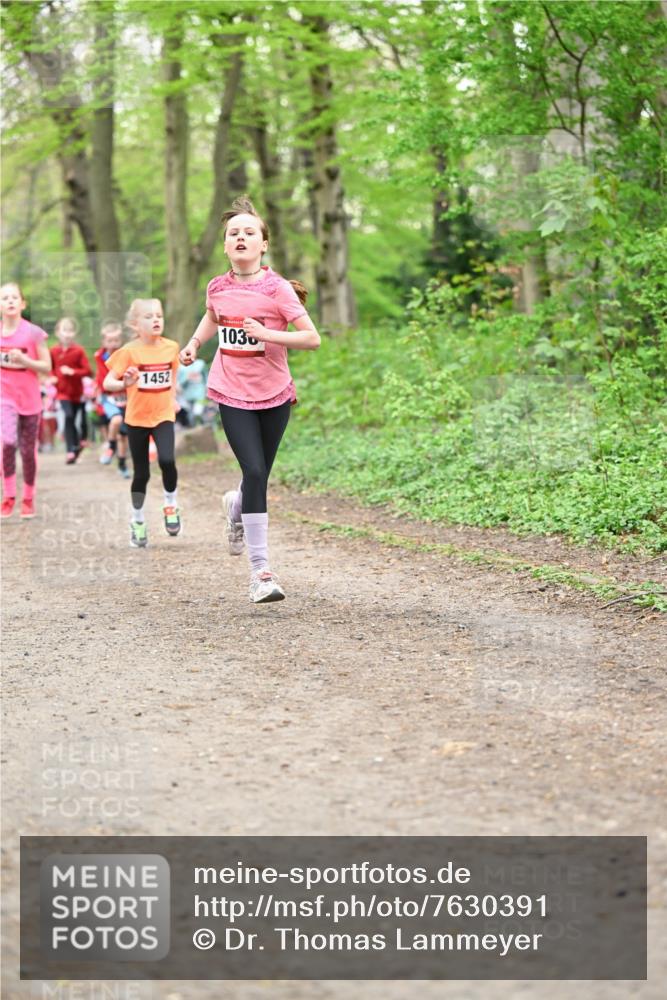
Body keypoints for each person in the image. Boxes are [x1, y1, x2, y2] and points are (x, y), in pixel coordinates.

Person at [180, 195, 320, 603]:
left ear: (263, 244)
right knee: (254, 470)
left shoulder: (277, 289)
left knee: (258, 475)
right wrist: (193, 343)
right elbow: (212, 316)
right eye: (233, 234)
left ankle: (236, 504)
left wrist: (268, 334)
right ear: (225, 246)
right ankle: (261, 572)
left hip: (274, 392)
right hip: (230, 390)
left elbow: (311, 338)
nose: (240, 238)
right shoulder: (217, 287)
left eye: (249, 233)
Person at [103, 298, 181, 547]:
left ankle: (171, 504)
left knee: (167, 460)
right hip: (136, 418)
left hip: (163, 415)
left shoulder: (171, 348)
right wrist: (124, 383)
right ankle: (137, 520)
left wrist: (174, 399)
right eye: (149, 317)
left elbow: (172, 378)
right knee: (142, 474)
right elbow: (107, 383)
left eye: (159, 315)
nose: (156, 319)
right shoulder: (128, 351)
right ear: (136, 325)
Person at [0, 282, 52, 518]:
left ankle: (28, 498)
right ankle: (9, 495)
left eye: (14, 298)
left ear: (22, 304)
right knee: (8, 441)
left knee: (28, 451)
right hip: (4, 397)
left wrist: (24, 360)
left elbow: (47, 367)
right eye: (4, 298)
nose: (9, 301)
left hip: (30, 399)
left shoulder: (33, 333)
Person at [49, 316, 92, 464]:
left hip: (77, 393)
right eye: (64, 330)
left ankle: (77, 446)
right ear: (57, 332)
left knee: (77, 421)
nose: (67, 334)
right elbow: (50, 369)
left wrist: (73, 372)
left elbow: (87, 371)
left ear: (74, 333)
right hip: (62, 393)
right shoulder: (53, 351)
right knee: (68, 416)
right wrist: (52, 377)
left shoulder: (78, 351)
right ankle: (69, 450)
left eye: (70, 331)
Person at [94, 322, 130, 478]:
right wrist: (97, 390)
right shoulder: (99, 357)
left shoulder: (126, 355)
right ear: (104, 342)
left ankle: (122, 465)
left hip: (126, 397)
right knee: (115, 421)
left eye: (116, 340)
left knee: (123, 436)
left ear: (120, 341)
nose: (113, 344)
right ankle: (110, 446)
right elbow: (100, 374)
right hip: (108, 397)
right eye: (110, 341)